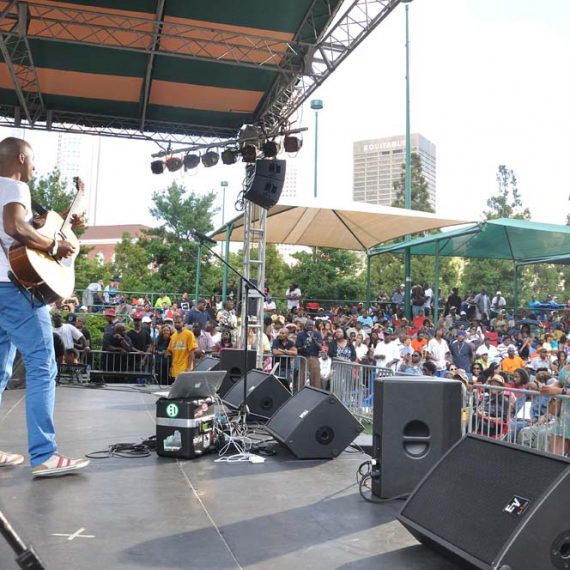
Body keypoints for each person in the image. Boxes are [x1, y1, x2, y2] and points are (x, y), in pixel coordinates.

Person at [0, 136, 89, 476]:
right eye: (33, 161)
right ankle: (44, 455)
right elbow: (16, 228)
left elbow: (29, 227)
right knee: (42, 366)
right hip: (14, 288)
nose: (35, 168)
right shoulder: (14, 187)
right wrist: (55, 244)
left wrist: (59, 225)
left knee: (0, 371)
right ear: (21, 159)